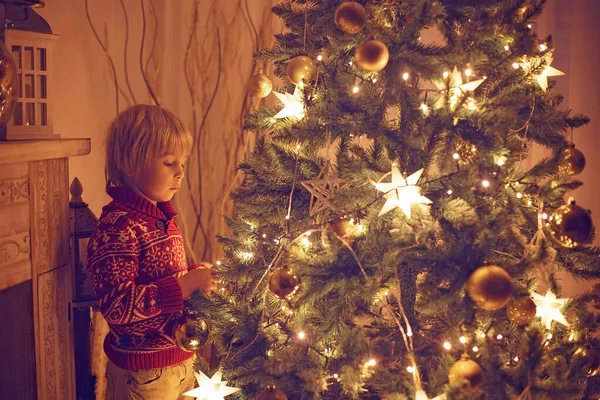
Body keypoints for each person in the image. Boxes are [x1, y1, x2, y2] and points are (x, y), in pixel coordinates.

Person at [87, 104, 218, 400]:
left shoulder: (161, 221)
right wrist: (183, 286)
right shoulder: (118, 228)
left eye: (182, 162)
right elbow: (118, 306)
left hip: (179, 359)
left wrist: (196, 274)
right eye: (169, 162)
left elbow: (166, 278)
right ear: (129, 163)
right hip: (148, 373)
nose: (181, 172)